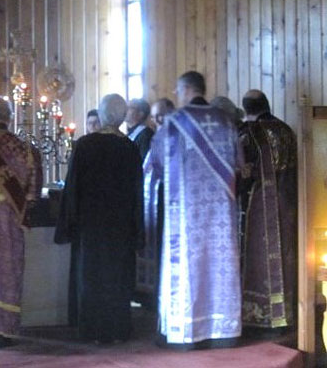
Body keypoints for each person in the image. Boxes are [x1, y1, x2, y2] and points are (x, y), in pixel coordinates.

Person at [149, 71, 241, 348]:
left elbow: (156, 164)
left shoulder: (175, 123)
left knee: (190, 266)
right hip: (221, 215)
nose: (177, 96)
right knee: (219, 265)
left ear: (187, 89)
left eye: (178, 91)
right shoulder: (227, 121)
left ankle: (188, 332)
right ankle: (223, 331)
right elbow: (239, 163)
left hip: (185, 214)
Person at [56, 93, 144, 344]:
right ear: (121, 116)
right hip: (121, 229)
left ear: (102, 115)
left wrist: (68, 225)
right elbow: (138, 193)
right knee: (118, 277)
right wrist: (138, 230)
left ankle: (91, 329)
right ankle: (117, 329)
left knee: (90, 276)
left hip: (90, 227)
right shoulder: (130, 148)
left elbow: (72, 187)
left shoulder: (84, 145)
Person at [0, 97, 43, 348]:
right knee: (8, 273)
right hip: (11, 226)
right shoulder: (25, 149)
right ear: (10, 117)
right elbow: (33, 194)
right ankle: (4, 332)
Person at [238, 90, 297, 330]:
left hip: (259, 205)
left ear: (246, 109)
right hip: (288, 201)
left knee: (259, 259)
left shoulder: (248, 133)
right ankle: (287, 312)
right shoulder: (286, 130)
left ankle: (259, 316)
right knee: (285, 256)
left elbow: (244, 173)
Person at [135, 98, 174, 308]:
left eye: (162, 114)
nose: (157, 119)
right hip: (153, 204)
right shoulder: (156, 139)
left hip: (167, 204)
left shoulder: (175, 138)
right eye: (155, 115)